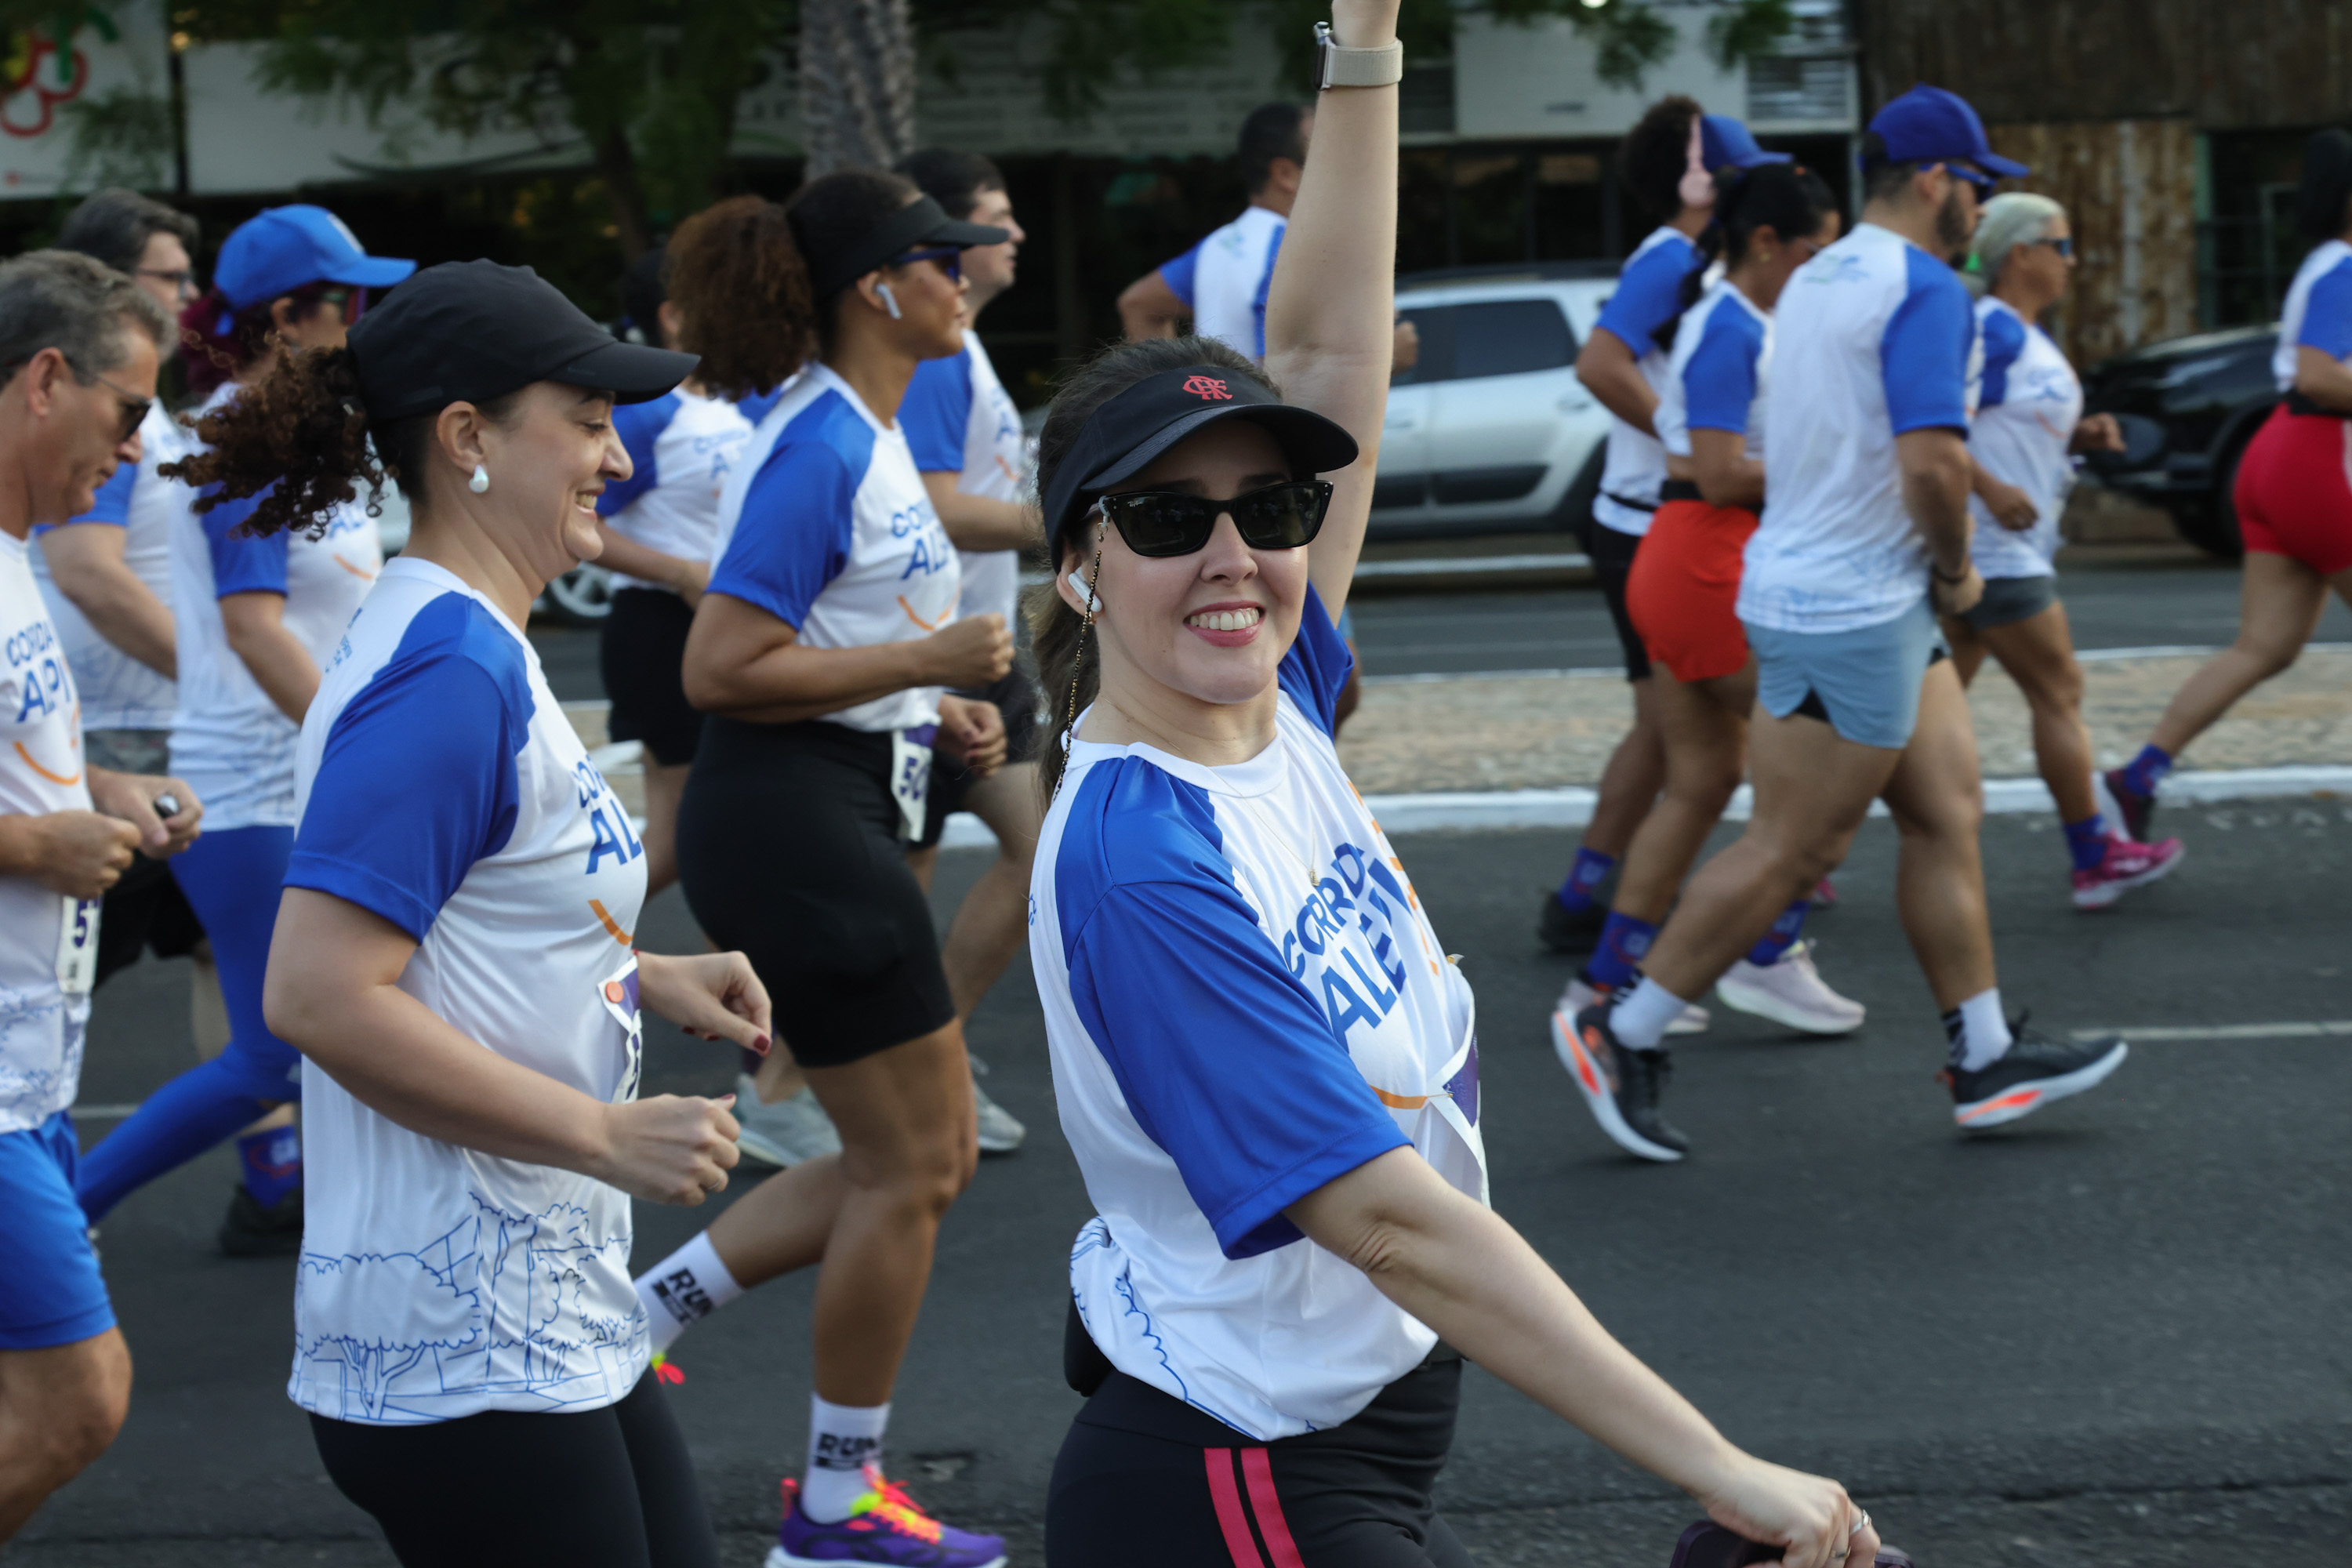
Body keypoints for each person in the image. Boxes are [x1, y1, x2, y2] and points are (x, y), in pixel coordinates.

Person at [1030, 9, 1885, 1564]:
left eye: (1270, 506)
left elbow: (1332, 355)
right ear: (1081, 569)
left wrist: (1368, 47)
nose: (1233, 556)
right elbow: (1383, 1215)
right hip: (1243, 1480)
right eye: (1166, 520)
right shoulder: (1141, 858)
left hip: (1357, 1423)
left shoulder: (1275, 702)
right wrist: (1720, 1465)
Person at [176, 258, 765, 1566]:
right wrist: (601, 1132)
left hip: (546, 1311)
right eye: (590, 419)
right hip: (461, 1352)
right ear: (466, 440)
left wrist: (637, 971)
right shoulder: (445, 668)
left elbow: (480, 903)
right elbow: (319, 997)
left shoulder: (477, 638)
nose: (616, 457)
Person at [1566, 86, 2132, 1161]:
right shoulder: (1923, 286)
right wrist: (1959, 572)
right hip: (1850, 604)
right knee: (1793, 844)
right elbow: (1930, 460)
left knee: (1945, 814)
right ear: (1934, 181)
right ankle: (1619, 1028)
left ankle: (1982, 1053)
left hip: (1843, 590)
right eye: (1974, 183)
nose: (1977, 203)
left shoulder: (1817, 275)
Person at [636, 176, 1014, 1566]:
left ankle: (638, 1324)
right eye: (945, 260)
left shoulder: (858, 427)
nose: (965, 279)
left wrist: (927, 708)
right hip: (793, 824)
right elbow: (720, 667)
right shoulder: (817, 447)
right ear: (878, 286)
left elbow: (842, 632)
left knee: (903, 1159)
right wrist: (922, 665)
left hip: (827, 801)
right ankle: (834, 1511)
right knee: (918, 1166)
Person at [74, 206, 412, 1254]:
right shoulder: (241, 438)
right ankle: (56, 1215)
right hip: (256, 794)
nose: (358, 323)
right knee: (272, 1059)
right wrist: (361, 747)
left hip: (289, 785)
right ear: (288, 318)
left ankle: (372, 1224)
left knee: (359, 1027)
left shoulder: (279, 433)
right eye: (345, 303)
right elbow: (255, 631)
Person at [1555, 161, 1867, 1050]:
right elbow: (1721, 470)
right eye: (1818, 248)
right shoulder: (1731, 326)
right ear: (1766, 242)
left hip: (1685, 556)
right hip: (1703, 562)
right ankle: (1763, 949)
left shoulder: (1742, 319)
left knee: (1699, 783)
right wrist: (1850, 473)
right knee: (1837, 754)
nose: (1826, 265)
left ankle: (1603, 983)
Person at [0, 250, 203, 1544]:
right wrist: (30, 849)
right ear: (44, 378)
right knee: (79, 1398)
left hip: (33, 1073)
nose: (134, 449)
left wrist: (105, 795)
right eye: (128, 411)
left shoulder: (12, 553)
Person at [1537, 103, 1792, 964]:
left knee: (1675, 736)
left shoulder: (1699, 262)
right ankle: (1753, 907)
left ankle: (1589, 901)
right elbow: (1598, 364)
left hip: (1657, 520)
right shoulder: (1673, 257)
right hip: (1650, 522)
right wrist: (1687, 444)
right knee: (1710, 732)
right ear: (1700, 182)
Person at [2103, 128, 2352, 841]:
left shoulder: (2323, 264)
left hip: (2276, 456)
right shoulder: (2342, 268)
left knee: (2264, 646)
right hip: (2315, 455)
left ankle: (2140, 772)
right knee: (2262, 645)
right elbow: (2318, 373)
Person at [1947, 193, 2182, 909]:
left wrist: (2078, 438)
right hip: (1998, 556)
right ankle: (2094, 856)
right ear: (2021, 253)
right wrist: (1988, 489)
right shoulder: (1993, 331)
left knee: (1913, 715)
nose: (2073, 260)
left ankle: (1801, 859)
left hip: (1989, 551)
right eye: (2062, 244)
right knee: (2059, 693)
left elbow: (2007, 426)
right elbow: (1939, 429)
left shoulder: (2022, 332)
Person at [37, 191, 220, 1035]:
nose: (189, 295)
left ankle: (270, 1168)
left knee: (227, 953)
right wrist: (224, 678)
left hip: (140, 744)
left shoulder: (147, 416)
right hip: (122, 728)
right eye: (170, 277)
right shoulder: (93, 423)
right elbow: (87, 571)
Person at [896, 146, 1044, 1156]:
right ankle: (904, 1066)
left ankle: (921, 1055)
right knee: (897, 888)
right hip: (936, 654)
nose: (1017, 233)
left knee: (1025, 853)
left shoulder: (964, 346)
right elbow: (937, 508)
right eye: (995, 218)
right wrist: (1064, 522)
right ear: (947, 240)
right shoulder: (941, 357)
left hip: (979, 651)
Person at [594, 245, 757, 898]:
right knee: (680, 841)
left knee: (717, 832)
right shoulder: (643, 411)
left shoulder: (728, 399)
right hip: (660, 630)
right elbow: (574, 525)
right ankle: (567, 948)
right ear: (673, 316)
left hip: (720, 624)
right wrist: (683, 573)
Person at [1118, 102, 1310, 360]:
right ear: (1285, 173)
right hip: (1265, 401)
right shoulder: (1297, 250)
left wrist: (1177, 393)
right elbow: (1285, 375)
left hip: (1219, 399)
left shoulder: (1219, 244)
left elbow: (1139, 304)